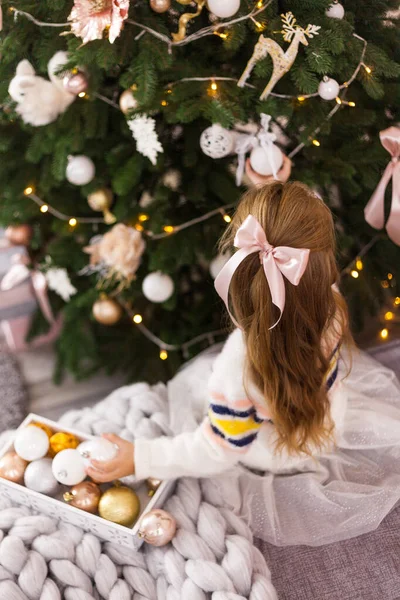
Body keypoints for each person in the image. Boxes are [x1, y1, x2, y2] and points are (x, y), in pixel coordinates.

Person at [87, 155, 400, 546]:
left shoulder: (239, 365)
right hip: (326, 423)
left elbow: (217, 449)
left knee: (200, 392)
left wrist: (140, 457)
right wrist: (278, 193)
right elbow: (295, 238)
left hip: (272, 451)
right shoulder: (332, 304)